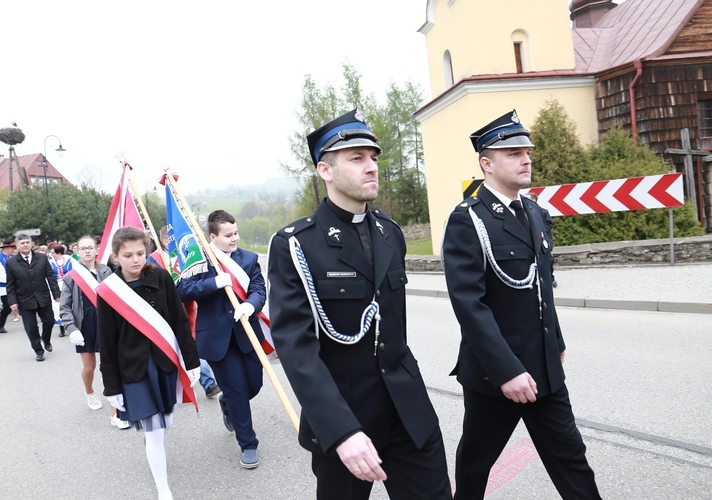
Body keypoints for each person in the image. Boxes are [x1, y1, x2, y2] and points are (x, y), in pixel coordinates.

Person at [267, 109, 451, 499]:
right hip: (345, 420)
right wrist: (341, 431)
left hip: (408, 412)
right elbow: (296, 349)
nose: (371, 167)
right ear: (326, 170)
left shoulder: (390, 233)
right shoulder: (297, 244)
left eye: (373, 157)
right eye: (357, 158)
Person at [441, 110, 601, 499]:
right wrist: (507, 371)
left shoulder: (535, 212)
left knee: (571, 459)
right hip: (496, 376)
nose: (526, 159)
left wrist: (556, 343)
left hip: (543, 368)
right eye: (512, 153)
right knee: (476, 462)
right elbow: (469, 304)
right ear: (487, 164)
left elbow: (542, 288)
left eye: (526, 151)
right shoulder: (469, 220)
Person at [98, 227, 200, 500]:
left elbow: (179, 321)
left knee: (163, 423)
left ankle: (151, 439)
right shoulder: (108, 291)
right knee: (155, 430)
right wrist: (111, 387)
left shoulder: (161, 277)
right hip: (133, 369)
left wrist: (192, 361)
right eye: (128, 255)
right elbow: (106, 342)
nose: (136, 260)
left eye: (141, 253)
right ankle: (163, 489)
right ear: (115, 256)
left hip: (164, 362)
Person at [177, 210, 265, 469]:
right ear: (213, 236)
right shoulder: (200, 261)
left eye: (236, 233)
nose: (234, 239)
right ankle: (248, 444)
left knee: (253, 386)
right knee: (237, 390)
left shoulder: (248, 258)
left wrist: (251, 305)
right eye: (228, 235)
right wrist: (214, 282)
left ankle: (227, 402)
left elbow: (259, 288)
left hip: (247, 334)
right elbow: (182, 290)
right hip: (218, 339)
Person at [60, 236, 130, 429]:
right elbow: (65, 307)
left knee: (110, 367)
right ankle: (89, 391)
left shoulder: (107, 271)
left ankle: (115, 413)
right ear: (77, 251)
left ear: (97, 250)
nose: (87, 251)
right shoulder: (71, 277)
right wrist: (71, 328)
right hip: (85, 326)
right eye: (83, 248)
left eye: (91, 247)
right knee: (89, 367)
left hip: (106, 324)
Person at [148, 225, 221, 399]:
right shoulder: (154, 259)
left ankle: (208, 382)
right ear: (166, 241)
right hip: (165, 307)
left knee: (191, 342)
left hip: (186, 306)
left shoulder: (184, 255)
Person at [6, 234, 61, 361]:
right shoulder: (11, 262)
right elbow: (10, 284)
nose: (25, 245)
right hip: (24, 300)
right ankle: (38, 350)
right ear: (17, 246)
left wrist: (56, 294)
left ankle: (46, 340)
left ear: (31, 243)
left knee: (49, 321)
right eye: (22, 243)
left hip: (43, 296)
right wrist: (12, 301)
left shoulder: (41, 258)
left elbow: (50, 277)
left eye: (27, 242)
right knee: (31, 328)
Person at [524, 191, 558, 288]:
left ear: (534, 200)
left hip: (544, 240)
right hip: (530, 241)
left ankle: (551, 279)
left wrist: (539, 230)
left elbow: (549, 224)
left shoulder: (543, 211)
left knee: (549, 260)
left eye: (528, 198)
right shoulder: (523, 212)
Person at [0, 241, 16, 333]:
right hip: (5, 288)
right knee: (7, 307)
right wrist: (14, 279)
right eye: (12, 247)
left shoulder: (13, 257)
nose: (13, 249)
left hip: (16, 286)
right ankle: (0, 325)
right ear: (6, 248)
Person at [50, 244, 74, 337]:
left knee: (70, 304)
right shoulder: (50, 262)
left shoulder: (70, 260)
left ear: (59, 252)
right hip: (56, 286)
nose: (52, 255)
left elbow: (77, 271)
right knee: (57, 307)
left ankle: (71, 325)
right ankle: (61, 328)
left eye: (53, 253)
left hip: (69, 284)